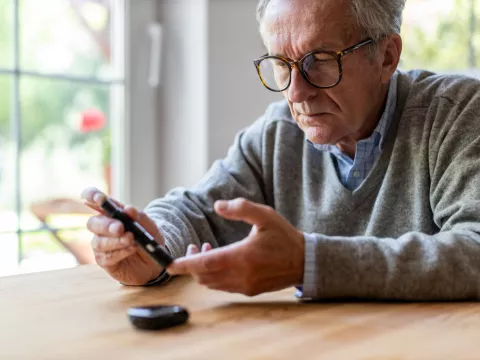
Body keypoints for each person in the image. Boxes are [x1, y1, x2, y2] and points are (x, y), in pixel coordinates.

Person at [82, 0, 480, 300]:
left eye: (320, 60)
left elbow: (474, 249)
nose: (296, 91)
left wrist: (308, 261)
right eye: (281, 63)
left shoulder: (457, 114)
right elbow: (196, 209)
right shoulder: (277, 134)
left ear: (387, 56)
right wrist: (154, 248)